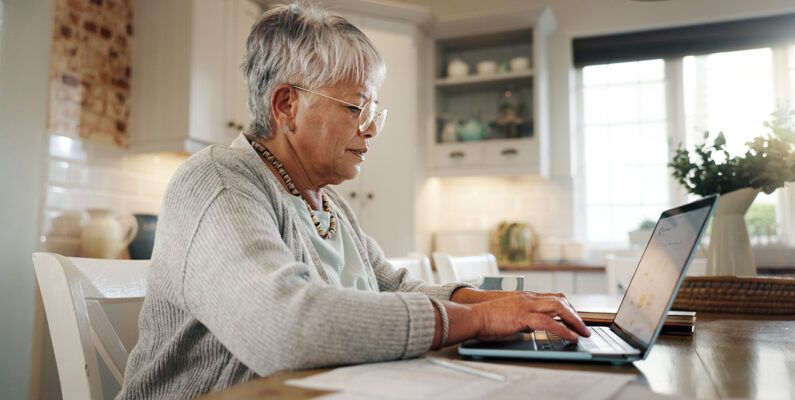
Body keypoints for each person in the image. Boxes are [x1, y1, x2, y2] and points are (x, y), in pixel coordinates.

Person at [117, 3, 589, 399]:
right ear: (286, 106)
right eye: (355, 108)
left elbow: (393, 287)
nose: (370, 129)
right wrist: (479, 318)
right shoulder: (219, 182)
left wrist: (503, 303)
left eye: (373, 111)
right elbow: (286, 327)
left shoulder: (328, 204)